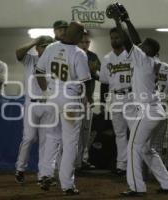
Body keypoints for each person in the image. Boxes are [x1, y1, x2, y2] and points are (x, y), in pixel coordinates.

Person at [107, 3, 168, 196]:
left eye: (144, 45)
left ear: (148, 50)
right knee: (146, 149)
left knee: (133, 147)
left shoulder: (143, 59)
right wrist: (127, 20)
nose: (140, 45)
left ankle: (136, 187)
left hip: (147, 112)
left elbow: (129, 42)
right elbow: (136, 42)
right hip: (154, 110)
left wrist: (116, 20)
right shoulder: (151, 58)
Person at [36, 21, 91, 195]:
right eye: (81, 34)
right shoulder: (79, 53)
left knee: (52, 137)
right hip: (70, 99)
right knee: (70, 144)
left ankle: (45, 174)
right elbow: (85, 81)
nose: (83, 37)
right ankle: (67, 184)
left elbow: (39, 71)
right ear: (75, 34)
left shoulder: (51, 47)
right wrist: (86, 100)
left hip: (52, 97)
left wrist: (46, 92)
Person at [14, 36, 54, 186]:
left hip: (49, 104)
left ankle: (43, 175)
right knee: (29, 138)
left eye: (49, 46)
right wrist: (35, 40)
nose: (46, 48)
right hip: (31, 103)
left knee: (46, 141)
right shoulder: (30, 59)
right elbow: (18, 53)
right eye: (43, 46)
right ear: (37, 48)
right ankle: (20, 168)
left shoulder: (54, 62)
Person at [99, 27, 134, 176]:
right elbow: (104, 83)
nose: (114, 40)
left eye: (117, 37)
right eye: (112, 38)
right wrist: (102, 102)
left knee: (134, 132)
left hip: (131, 96)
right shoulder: (107, 58)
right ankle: (122, 165)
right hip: (115, 97)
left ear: (123, 38)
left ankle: (134, 164)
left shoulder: (132, 55)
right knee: (119, 133)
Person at [76, 29, 100, 171]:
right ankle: (73, 160)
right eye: (82, 42)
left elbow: (101, 75)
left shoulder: (92, 57)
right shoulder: (72, 55)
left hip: (88, 98)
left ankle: (83, 159)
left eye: (87, 42)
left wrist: (93, 72)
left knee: (86, 130)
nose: (85, 44)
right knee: (74, 131)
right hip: (72, 98)